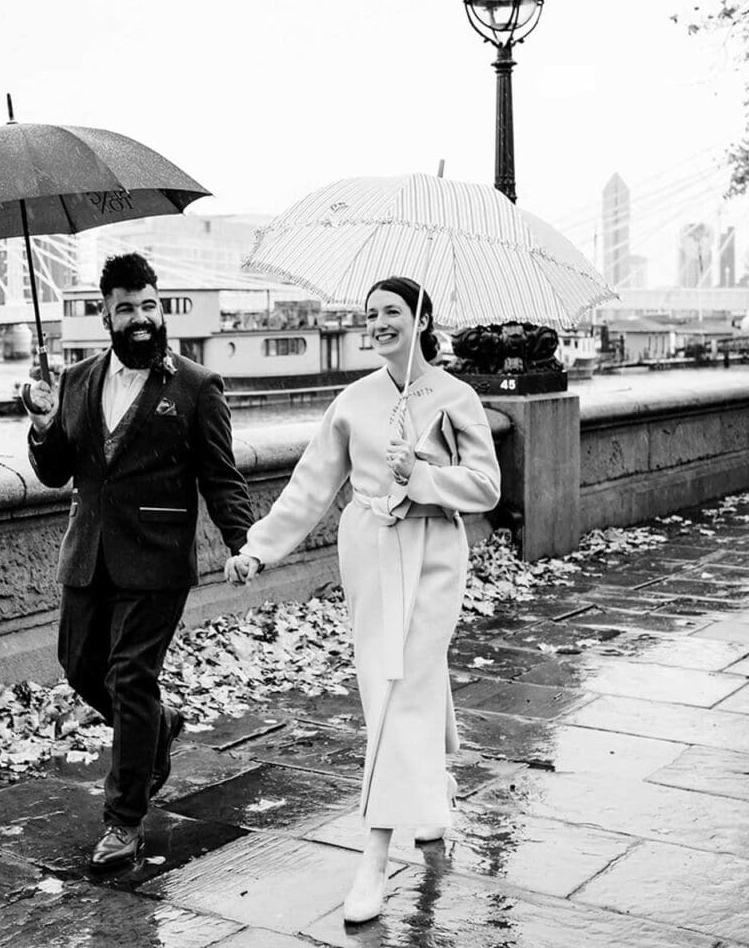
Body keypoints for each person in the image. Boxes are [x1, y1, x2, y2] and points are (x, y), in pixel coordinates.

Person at [225, 276, 501, 923]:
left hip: (434, 553)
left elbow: (487, 485)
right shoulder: (353, 401)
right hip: (369, 552)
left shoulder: (456, 397)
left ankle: (373, 860)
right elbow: (311, 486)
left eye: (393, 311)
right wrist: (259, 548)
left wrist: (421, 475)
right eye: (371, 313)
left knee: (403, 684)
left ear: (422, 319)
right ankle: (432, 789)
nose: (378, 322)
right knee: (387, 682)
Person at [25, 252, 256, 870]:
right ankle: (157, 724)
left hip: (157, 559)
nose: (140, 318)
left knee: (130, 677)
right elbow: (54, 472)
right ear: (106, 316)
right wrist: (44, 425)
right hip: (88, 553)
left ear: (160, 308)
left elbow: (221, 475)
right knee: (80, 669)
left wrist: (244, 543)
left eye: (148, 305)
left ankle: (124, 821)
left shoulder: (197, 386)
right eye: (126, 309)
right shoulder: (76, 381)